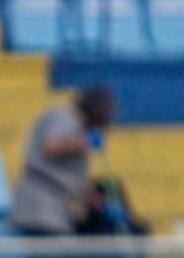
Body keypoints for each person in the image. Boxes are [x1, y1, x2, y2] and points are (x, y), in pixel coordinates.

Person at [8, 84, 121, 239]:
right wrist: (84, 142)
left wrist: (92, 197)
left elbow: (69, 176)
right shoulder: (63, 116)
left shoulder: (82, 129)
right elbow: (51, 147)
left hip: (59, 214)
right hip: (39, 211)